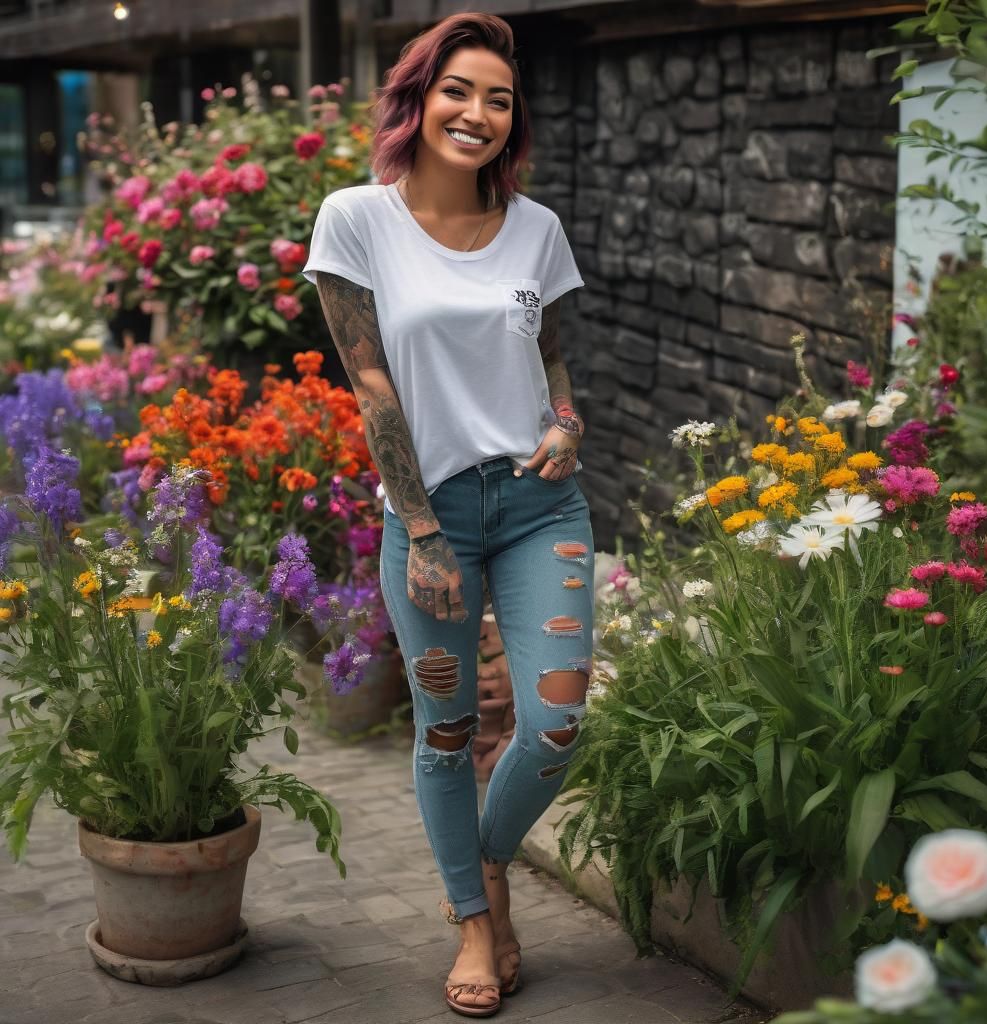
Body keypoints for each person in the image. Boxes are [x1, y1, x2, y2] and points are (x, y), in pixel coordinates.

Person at [303, 12, 594, 1018]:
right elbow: (371, 384)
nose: (477, 112)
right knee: (447, 730)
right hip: (431, 511)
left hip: (538, 501)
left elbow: (550, 358)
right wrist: (421, 529)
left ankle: (483, 863)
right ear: (418, 100)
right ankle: (476, 920)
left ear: (512, 124)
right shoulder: (355, 219)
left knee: (555, 721)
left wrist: (565, 421)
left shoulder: (538, 229)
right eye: (459, 90)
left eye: (499, 99)